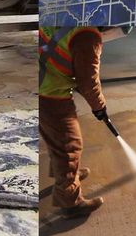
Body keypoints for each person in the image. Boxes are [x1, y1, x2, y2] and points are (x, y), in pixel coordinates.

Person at [38, 26, 109, 218]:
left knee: (57, 141)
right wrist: (99, 107)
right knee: (69, 147)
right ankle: (71, 203)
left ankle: (68, 174)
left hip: (39, 86)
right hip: (50, 95)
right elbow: (88, 81)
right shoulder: (87, 36)